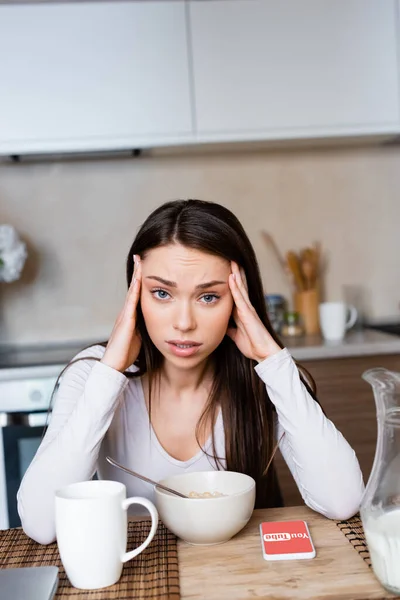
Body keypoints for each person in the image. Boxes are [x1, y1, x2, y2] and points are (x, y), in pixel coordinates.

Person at [18, 199, 364, 545]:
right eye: (162, 293)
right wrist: (110, 372)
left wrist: (273, 361)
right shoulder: (94, 374)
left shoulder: (268, 377)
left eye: (209, 297)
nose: (184, 323)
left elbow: (342, 501)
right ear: (135, 295)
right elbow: (41, 523)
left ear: (239, 300)